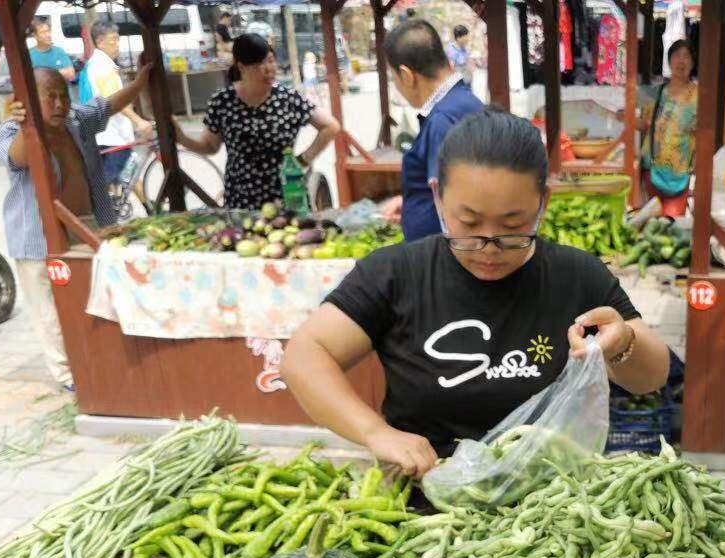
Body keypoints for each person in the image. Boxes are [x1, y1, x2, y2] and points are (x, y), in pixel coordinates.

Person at [281, 109, 670, 476]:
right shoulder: (395, 273)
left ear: (543, 203)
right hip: (427, 507)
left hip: (549, 509)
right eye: (468, 223)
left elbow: (652, 376)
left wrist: (623, 343)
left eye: (512, 224)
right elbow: (304, 356)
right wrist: (375, 432)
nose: (489, 246)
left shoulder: (577, 275)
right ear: (437, 197)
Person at [0, 64, 152, 390]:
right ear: (28, 101)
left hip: (89, 226)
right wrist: (24, 124)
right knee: (49, 310)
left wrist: (139, 82)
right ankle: (68, 375)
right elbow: (16, 158)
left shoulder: (76, 120)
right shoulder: (11, 130)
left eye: (62, 96)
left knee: (96, 295)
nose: (58, 105)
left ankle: (101, 359)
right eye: (48, 98)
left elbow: (107, 105)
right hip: (39, 237)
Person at [172, 34, 340, 211]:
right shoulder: (222, 101)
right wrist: (182, 138)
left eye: (271, 61)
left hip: (287, 197)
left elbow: (330, 126)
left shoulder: (288, 98)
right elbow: (209, 146)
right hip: (241, 202)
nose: (269, 68)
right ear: (241, 67)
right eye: (260, 64)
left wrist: (304, 160)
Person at [380, 19, 484, 243]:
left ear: (407, 75)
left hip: (440, 260)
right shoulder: (464, 102)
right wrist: (412, 201)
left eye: (393, 78)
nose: (396, 85)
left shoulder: (441, 121)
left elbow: (454, 209)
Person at [80, 20, 155, 187]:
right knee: (106, 184)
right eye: (113, 39)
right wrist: (139, 121)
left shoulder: (96, 64)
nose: (117, 44)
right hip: (111, 135)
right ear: (99, 42)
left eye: (118, 39)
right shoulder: (102, 66)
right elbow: (113, 98)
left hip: (104, 134)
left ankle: (148, 209)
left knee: (124, 177)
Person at [640, 39, 698, 218]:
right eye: (677, 55)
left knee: (671, 224)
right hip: (652, 168)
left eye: (686, 56)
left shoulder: (701, 96)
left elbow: (706, 134)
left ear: (693, 62)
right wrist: (623, 118)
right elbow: (643, 125)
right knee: (650, 223)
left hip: (680, 173)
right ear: (669, 60)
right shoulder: (654, 92)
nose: (681, 61)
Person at [27, 17, 73, 83]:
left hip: (60, 92)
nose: (48, 35)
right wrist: (59, 72)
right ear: (35, 36)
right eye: (43, 32)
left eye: (48, 31)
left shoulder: (59, 51)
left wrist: (43, 74)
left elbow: (71, 75)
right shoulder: (29, 54)